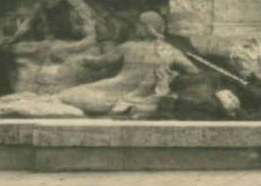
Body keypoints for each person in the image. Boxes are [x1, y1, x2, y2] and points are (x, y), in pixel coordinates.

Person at [57, 11, 197, 117]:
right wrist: (171, 76)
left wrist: (86, 60)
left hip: (114, 91)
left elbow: (99, 63)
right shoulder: (171, 50)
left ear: (146, 28)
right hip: (146, 95)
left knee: (67, 95)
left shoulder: (128, 46)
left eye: (138, 26)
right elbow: (193, 71)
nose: (136, 29)